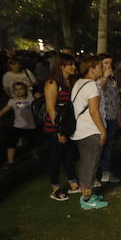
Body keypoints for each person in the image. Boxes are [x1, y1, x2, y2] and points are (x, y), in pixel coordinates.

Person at [71, 56, 108, 210]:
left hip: (81, 130)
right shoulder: (91, 85)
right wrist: (103, 131)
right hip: (90, 130)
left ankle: (88, 194)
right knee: (91, 165)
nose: (103, 69)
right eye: (100, 66)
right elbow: (94, 111)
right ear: (91, 69)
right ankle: (86, 199)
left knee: (86, 164)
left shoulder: (79, 83)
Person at [44, 53, 80, 201]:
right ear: (61, 66)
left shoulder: (70, 82)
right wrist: (59, 131)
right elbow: (51, 109)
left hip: (68, 125)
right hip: (55, 128)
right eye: (70, 64)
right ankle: (55, 189)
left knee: (69, 156)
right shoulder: (52, 83)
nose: (74, 67)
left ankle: (73, 183)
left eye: (74, 64)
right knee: (56, 158)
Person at [0, 81, 37, 169]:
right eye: (16, 89)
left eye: (21, 89)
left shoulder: (31, 99)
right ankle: (10, 161)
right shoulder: (13, 101)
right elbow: (4, 110)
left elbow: (39, 107)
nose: (19, 91)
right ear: (13, 91)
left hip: (30, 126)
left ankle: (35, 158)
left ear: (25, 90)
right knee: (11, 143)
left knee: (32, 143)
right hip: (17, 126)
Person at [97, 53, 121, 184]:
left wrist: (119, 115)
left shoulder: (113, 79)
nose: (109, 66)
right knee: (100, 146)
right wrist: (105, 76)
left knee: (108, 146)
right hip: (102, 117)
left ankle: (106, 172)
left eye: (110, 63)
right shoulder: (98, 79)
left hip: (112, 116)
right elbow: (99, 89)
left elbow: (117, 98)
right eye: (106, 63)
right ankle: (97, 174)